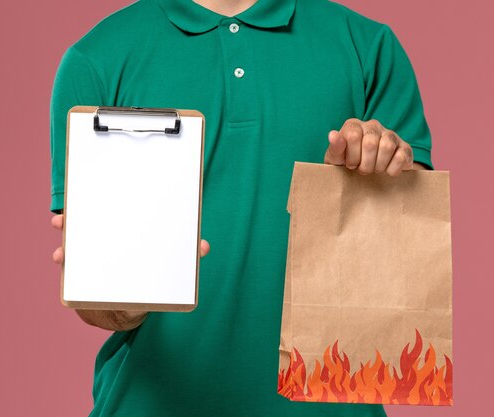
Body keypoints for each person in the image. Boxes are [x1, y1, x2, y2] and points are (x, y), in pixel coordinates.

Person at [49, 0, 433, 415]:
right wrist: (123, 301)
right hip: (153, 402)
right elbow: (97, 304)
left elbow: (405, 245)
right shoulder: (97, 59)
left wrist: (386, 160)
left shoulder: (369, 47)